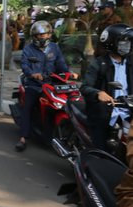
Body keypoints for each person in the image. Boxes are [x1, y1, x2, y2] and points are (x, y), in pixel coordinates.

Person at [15, 20, 78, 151]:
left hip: (52, 84)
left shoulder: (54, 47)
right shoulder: (28, 49)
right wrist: (33, 74)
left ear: (50, 35)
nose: (42, 37)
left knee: (64, 104)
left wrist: (69, 73)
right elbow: (25, 66)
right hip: (34, 85)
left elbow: (61, 64)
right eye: (39, 35)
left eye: (45, 34)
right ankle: (23, 138)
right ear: (34, 36)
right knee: (28, 107)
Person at [80, 23, 133, 151]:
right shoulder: (98, 64)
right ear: (112, 43)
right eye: (123, 42)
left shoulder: (130, 63)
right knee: (100, 151)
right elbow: (85, 87)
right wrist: (98, 93)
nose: (127, 45)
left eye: (129, 42)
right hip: (104, 112)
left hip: (128, 110)